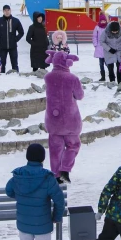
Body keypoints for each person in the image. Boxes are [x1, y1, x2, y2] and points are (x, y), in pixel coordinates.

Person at [6, 143, 65, 240]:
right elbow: (58, 200)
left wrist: (21, 196)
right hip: (43, 222)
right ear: (42, 158)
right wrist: (56, 216)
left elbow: (9, 190)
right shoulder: (47, 177)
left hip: (24, 221)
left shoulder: (19, 175)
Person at [44, 50, 84, 184]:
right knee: (73, 145)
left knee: (55, 149)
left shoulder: (48, 77)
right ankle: (65, 169)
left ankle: (56, 175)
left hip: (53, 120)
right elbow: (80, 96)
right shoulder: (72, 78)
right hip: (70, 120)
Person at [0, 4, 24, 73]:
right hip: (2, 47)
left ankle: (16, 77)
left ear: (10, 10)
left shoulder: (16, 21)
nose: (7, 12)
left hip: (13, 47)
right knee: (2, 64)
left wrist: (15, 39)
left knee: (15, 64)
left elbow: (21, 32)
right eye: (5, 10)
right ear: (3, 11)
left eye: (8, 10)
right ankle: (2, 77)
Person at [92, 12, 108, 81]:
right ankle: (103, 77)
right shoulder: (97, 28)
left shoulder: (108, 27)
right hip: (99, 47)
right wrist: (95, 44)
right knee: (101, 64)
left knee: (108, 63)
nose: (103, 22)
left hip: (106, 48)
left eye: (104, 21)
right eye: (102, 21)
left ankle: (111, 74)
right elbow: (94, 36)